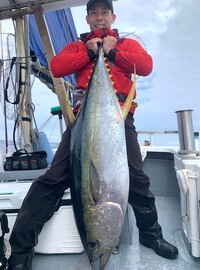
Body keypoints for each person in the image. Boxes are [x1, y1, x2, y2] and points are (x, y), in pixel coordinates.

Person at [8, 0, 178, 269]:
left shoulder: (126, 45)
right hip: (83, 124)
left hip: (119, 120)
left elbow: (145, 66)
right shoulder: (77, 46)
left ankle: (150, 235)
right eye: (94, 13)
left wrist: (112, 54)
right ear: (87, 18)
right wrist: (89, 54)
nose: (100, 18)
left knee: (137, 177)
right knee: (52, 180)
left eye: (104, 13)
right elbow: (57, 67)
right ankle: (20, 252)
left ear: (113, 16)